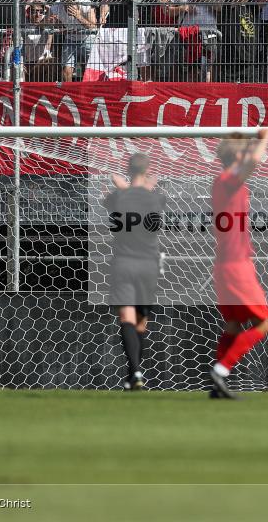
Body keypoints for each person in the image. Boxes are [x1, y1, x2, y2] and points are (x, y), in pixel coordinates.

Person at [208, 128, 268, 399]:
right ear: (236, 155)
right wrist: (264, 138)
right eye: (243, 150)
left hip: (226, 264)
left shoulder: (221, 182)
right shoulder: (228, 180)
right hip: (236, 265)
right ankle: (221, 369)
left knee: (234, 324)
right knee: (262, 324)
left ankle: (218, 384)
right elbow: (254, 161)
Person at [103, 154, 166, 391]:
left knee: (127, 319)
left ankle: (135, 372)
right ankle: (135, 376)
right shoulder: (157, 198)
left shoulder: (117, 197)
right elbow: (149, 197)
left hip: (124, 263)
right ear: (148, 171)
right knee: (141, 323)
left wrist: (122, 188)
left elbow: (110, 201)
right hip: (148, 266)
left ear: (127, 171)